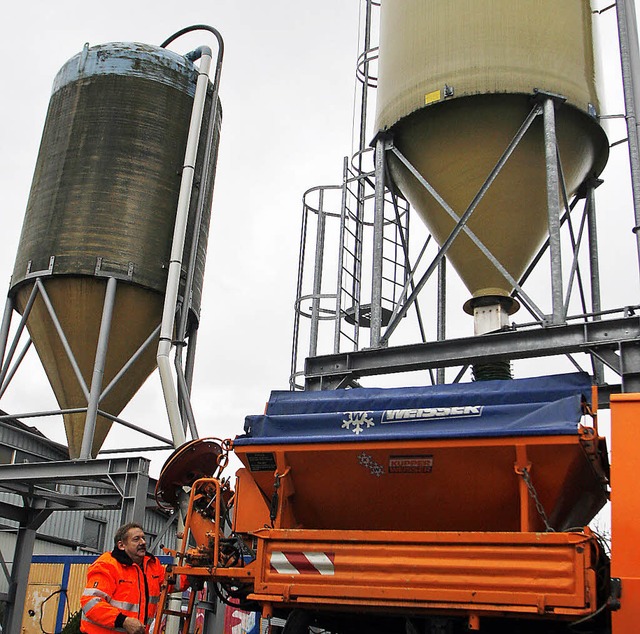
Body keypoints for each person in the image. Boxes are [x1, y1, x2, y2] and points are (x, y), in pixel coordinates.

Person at [80, 522, 174, 634]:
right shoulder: (107, 566)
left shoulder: (152, 566)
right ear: (121, 545)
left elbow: (172, 582)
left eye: (143, 538)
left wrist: (191, 573)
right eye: (136, 539)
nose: (143, 542)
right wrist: (123, 621)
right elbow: (91, 603)